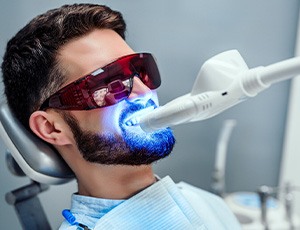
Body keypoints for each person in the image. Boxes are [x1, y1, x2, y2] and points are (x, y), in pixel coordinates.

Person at [1, 3, 241, 229]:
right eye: (109, 82)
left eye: (140, 70)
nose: (143, 91)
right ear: (51, 128)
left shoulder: (208, 204)